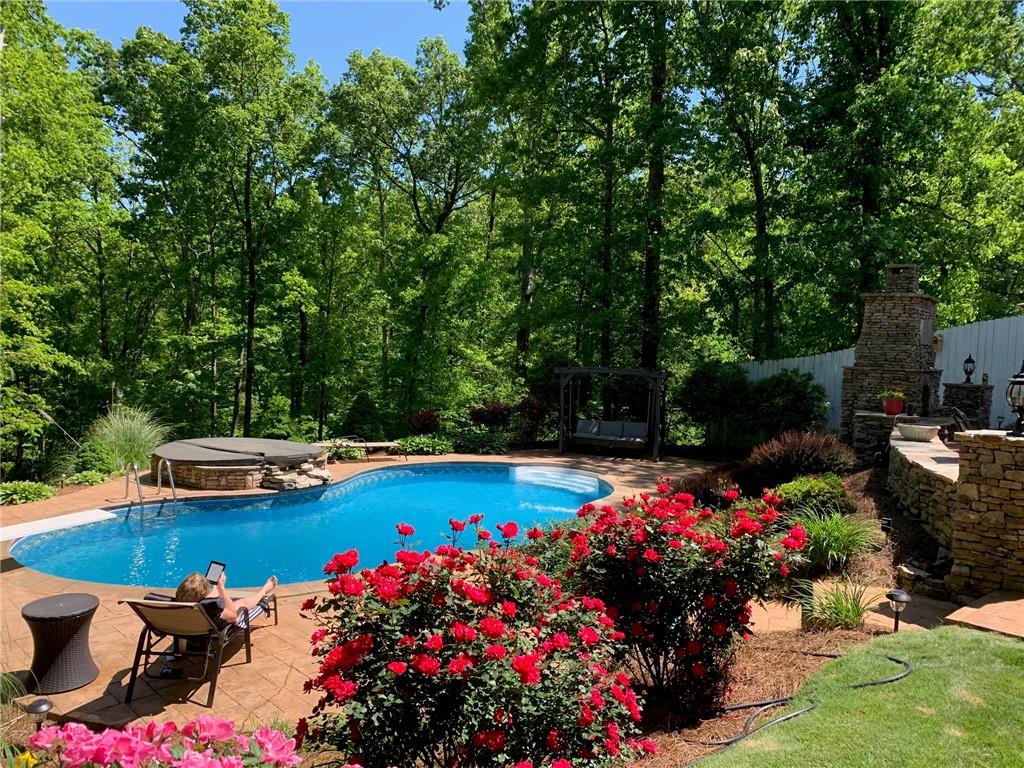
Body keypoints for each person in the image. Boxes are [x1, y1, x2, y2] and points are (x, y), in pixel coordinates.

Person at [175, 571, 277, 627]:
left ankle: (216, 587)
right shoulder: (211, 609)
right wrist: (222, 588)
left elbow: (200, 600)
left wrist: (216, 587)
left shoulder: (177, 605)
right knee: (242, 603)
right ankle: (263, 591)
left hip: (189, 630)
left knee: (215, 596)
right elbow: (233, 616)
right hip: (211, 629)